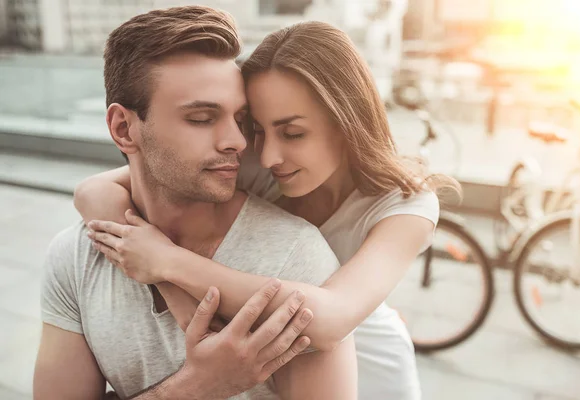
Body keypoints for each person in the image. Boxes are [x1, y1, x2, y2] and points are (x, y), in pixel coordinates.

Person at [77, 20, 450, 400]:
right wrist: (173, 292)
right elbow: (93, 190)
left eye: (293, 133)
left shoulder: (406, 205)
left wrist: (168, 262)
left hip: (375, 372)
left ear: (345, 122)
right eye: (257, 129)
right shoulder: (257, 162)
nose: (269, 154)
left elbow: (329, 320)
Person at [34, 7, 357, 400]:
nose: (236, 142)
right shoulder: (75, 258)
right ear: (123, 128)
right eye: (202, 118)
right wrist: (199, 386)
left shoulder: (296, 259)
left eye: (240, 119)